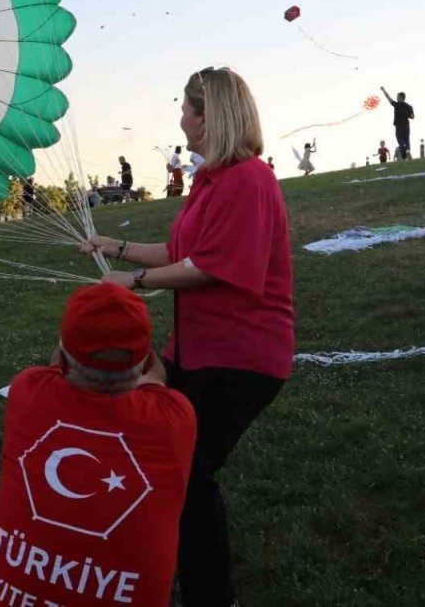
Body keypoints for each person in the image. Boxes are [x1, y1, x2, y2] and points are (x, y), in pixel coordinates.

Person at [78, 66, 294, 607]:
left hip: (242, 357)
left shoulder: (249, 180)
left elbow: (214, 266)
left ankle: (211, 596)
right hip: (197, 353)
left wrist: (133, 282)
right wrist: (114, 246)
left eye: (186, 110)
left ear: (209, 117)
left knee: (190, 476)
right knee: (169, 468)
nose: (180, 119)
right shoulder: (209, 181)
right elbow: (180, 253)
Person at [0, 283, 196, 607]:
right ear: (146, 361)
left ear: (64, 360)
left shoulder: (28, 392)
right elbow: (155, 380)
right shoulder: (175, 418)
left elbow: (55, 367)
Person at [381, 86, 414, 160]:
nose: (396, 98)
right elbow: (412, 117)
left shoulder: (397, 105)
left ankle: (404, 155)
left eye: (398, 97)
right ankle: (408, 151)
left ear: (401, 98)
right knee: (407, 139)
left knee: (400, 140)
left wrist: (383, 90)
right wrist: (406, 115)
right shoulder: (409, 107)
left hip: (399, 125)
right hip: (406, 125)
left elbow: (388, 97)